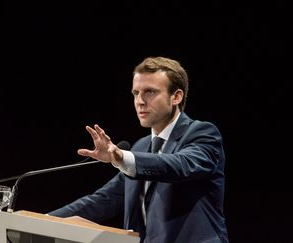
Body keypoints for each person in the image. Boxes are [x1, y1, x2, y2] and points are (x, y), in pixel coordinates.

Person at [49, 56, 229, 243]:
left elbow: (180, 165)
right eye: (136, 93)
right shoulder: (142, 147)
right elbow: (104, 200)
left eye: (150, 92)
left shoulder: (202, 133)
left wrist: (121, 157)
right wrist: (39, 221)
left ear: (176, 96)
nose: (140, 101)